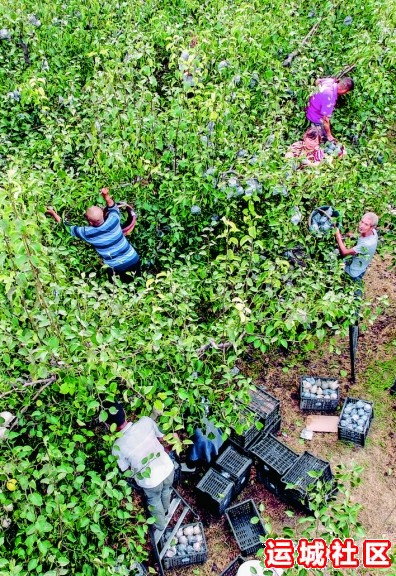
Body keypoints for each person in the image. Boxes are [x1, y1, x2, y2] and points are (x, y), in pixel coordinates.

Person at [105, 402, 175, 532]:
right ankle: (166, 510)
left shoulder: (117, 447)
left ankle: (162, 527)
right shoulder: (146, 421)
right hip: (167, 467)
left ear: (109, 426)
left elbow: (126, 471)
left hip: (150, 482)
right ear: (125, 413)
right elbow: (162, 438)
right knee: (166, 489)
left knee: (154, 501)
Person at [46, 188, 140, 282]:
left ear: (90, 222)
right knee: (137, 285)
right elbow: (113, 207)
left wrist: (53, 213)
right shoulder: (114, 220)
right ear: (103, 215)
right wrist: (106, 196)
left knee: (118, 291)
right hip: (133, 258)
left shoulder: (87, 233)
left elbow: (65, 227)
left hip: (115, 268)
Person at [306, 76, 354, 142]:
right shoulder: (329, 97)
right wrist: (329, 135)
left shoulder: (330, 80)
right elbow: (325, 120)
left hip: (310, 106)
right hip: (314, 117)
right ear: (345, 90)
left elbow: (317, 81)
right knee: (322, 140)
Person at [334, 212, 379, 281]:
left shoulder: (367, 244)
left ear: (372, 227)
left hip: (353, 272)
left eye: (366, 224)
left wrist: (338, 237)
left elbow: (344, 252)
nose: (361, 226)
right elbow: (361, 236)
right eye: (362, 222)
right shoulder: (373, 232)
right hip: (361, 265)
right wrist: (352, 235)